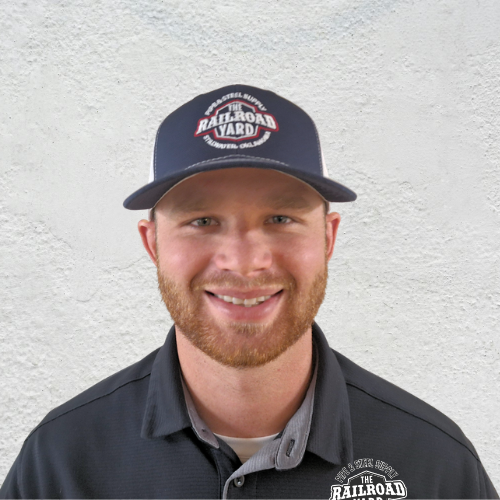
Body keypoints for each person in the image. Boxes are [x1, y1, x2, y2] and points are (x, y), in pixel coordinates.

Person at [0, 84, 497, 499]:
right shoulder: (61, 464)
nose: (243, 260)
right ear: (153, 244)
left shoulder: (435, 465)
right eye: (202, 221)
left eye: (280, 218)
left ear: (328, 239)